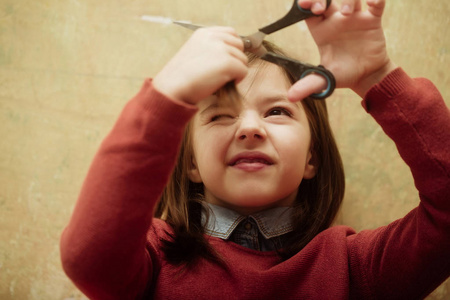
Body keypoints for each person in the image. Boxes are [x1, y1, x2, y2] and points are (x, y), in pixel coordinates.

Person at [60, 0, 450, 299]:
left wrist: (376, 76)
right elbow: (88, 259)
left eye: (277, 111)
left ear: (312, 157)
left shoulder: (355, 268)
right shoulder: (153, 259)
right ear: (190, 162)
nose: (249, 128)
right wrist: (166, 95)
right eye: (219, 117)